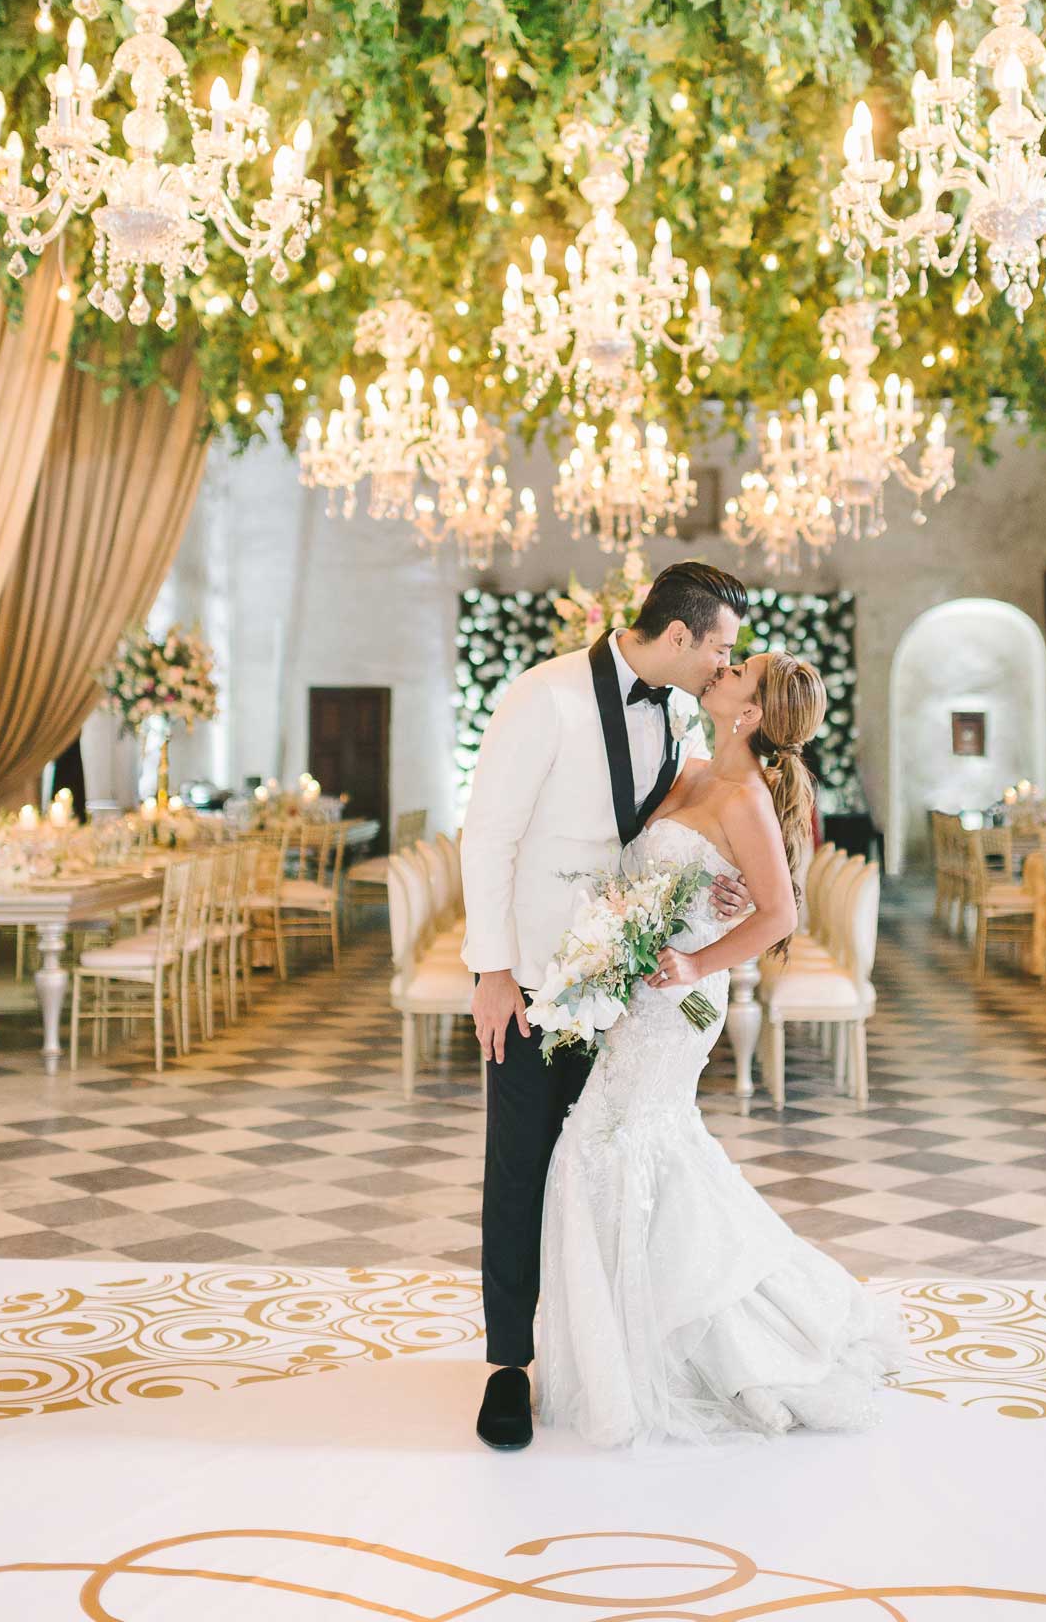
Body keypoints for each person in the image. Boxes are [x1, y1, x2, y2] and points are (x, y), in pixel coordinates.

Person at [537, 648, 902, 1446]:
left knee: (613, 1150)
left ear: (750, 713)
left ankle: (697, 1349)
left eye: (738, 672)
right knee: (635, 1154)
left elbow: (778, 915)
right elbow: (650, 863)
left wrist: (697, 960)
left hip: (678, 1000)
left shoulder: (743, 797)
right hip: (638, 990)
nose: (721, 668)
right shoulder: (689, 766)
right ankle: (691, 1337)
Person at [460, 561, 752, 1452]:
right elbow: (488, 833)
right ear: (677, 637)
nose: (724, 666)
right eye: (721, 649)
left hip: (627, 992)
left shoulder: (670, 715)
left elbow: (652, 844)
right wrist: (492, 970)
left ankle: (593, 1350)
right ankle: (509, 1366)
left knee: (593, 1174)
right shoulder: (542, 695)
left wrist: (711, 896)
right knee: (519, 1167)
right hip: (538, 980)